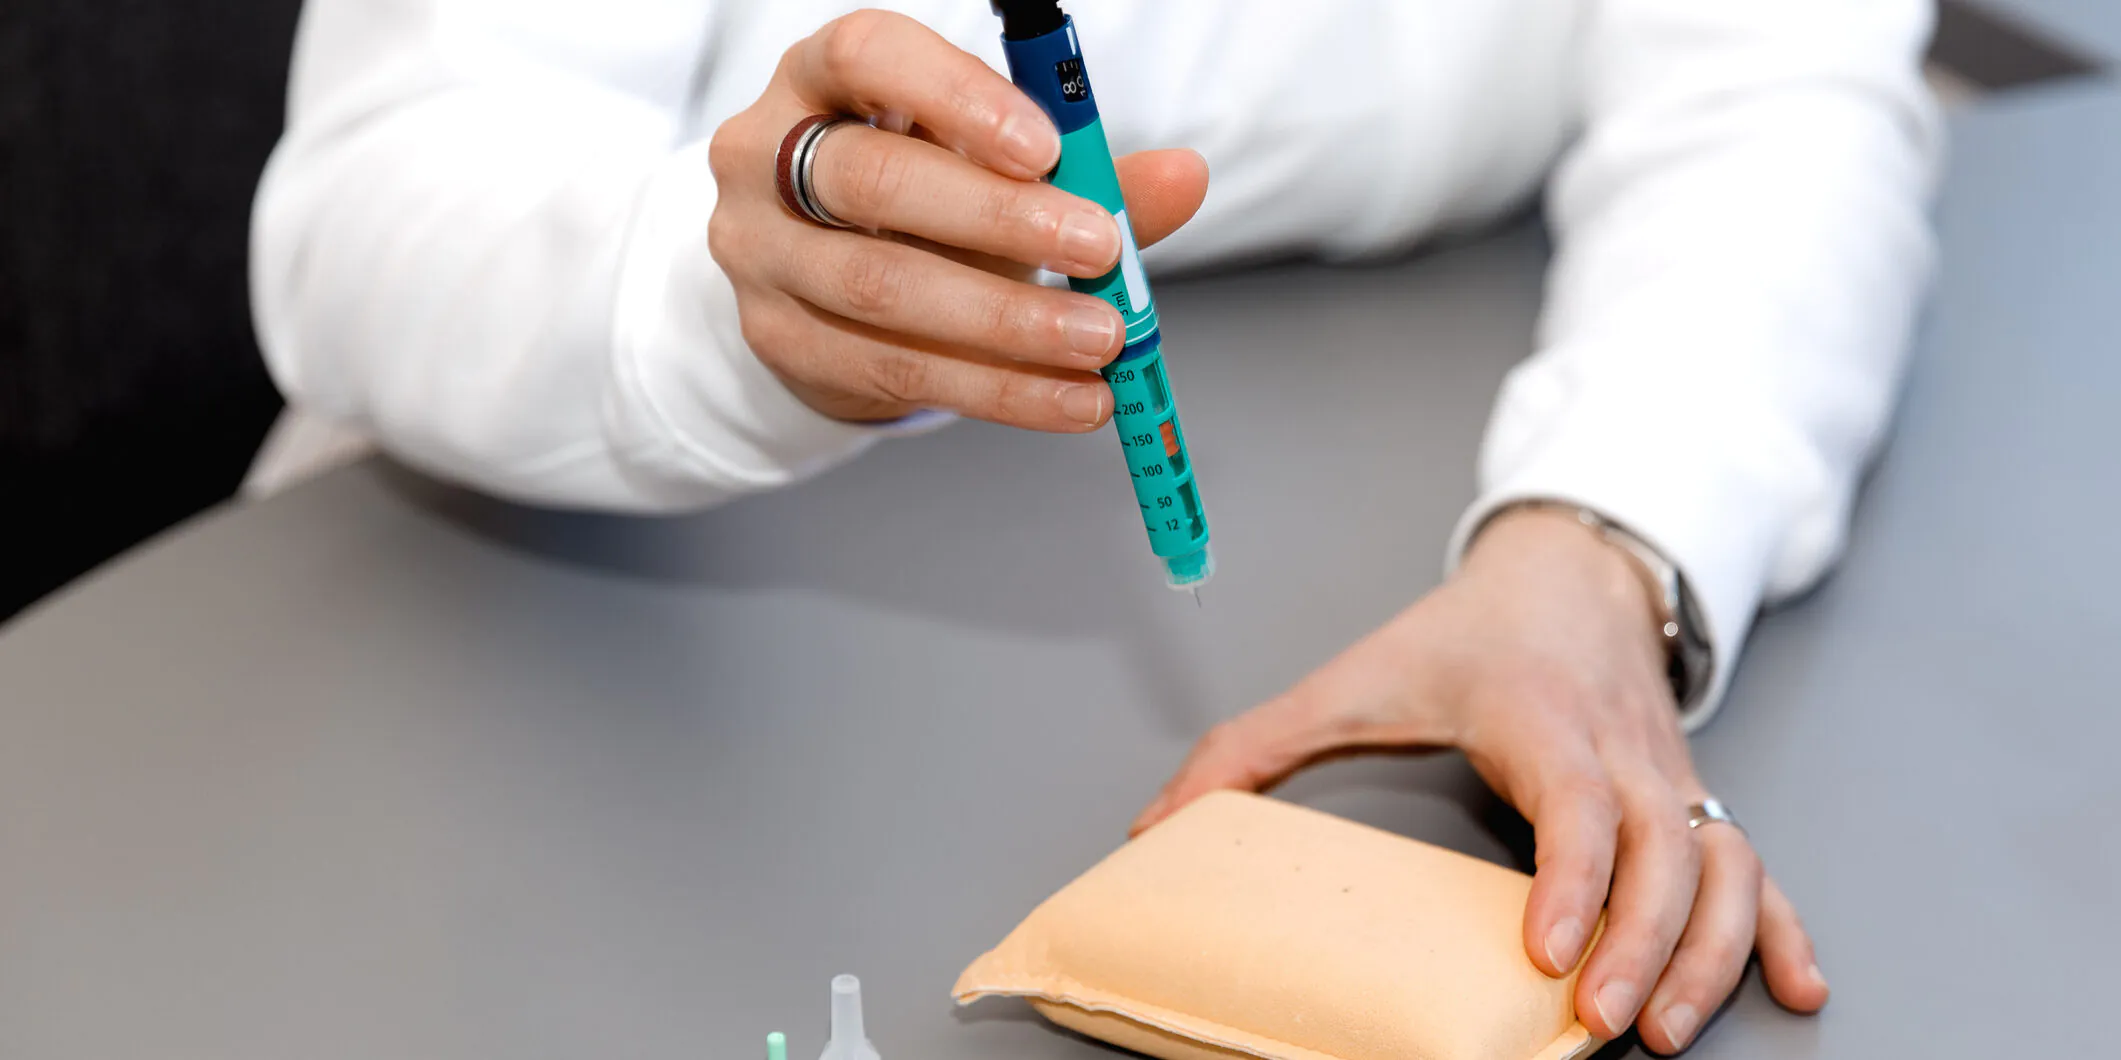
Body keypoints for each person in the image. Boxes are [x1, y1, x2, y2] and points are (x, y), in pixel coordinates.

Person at [249, 0, 1939, 1050]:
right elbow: (373, 198)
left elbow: (1777, 89)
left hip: (1364, 418)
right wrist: (733, 300)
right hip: (498, 641)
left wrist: (1601, 533)